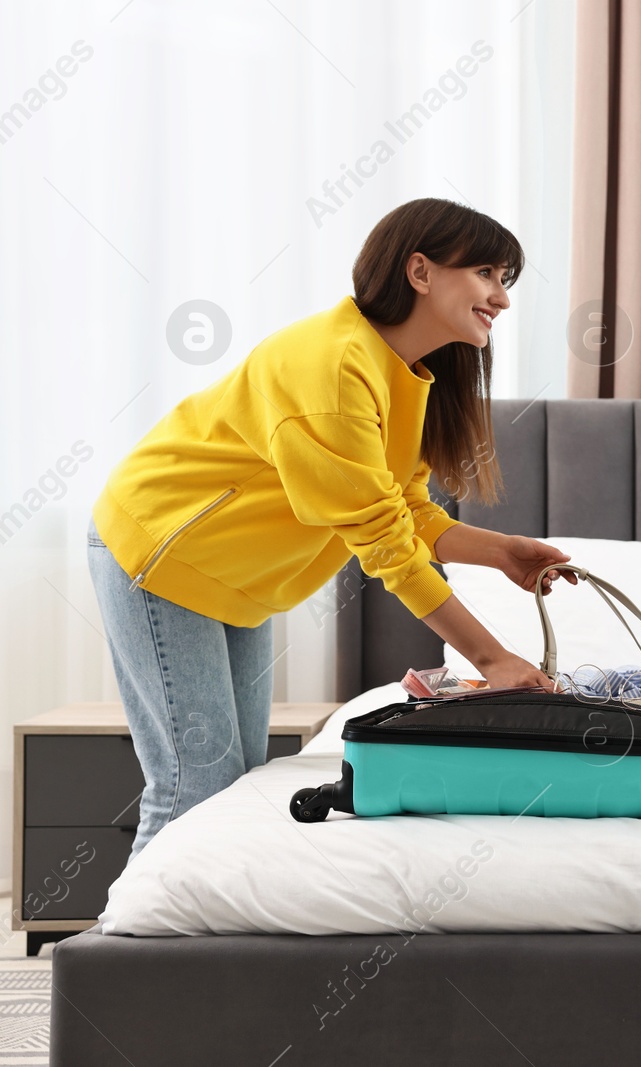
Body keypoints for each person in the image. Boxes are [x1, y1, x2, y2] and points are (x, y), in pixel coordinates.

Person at [88, 198, 571, 856]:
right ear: (421, 271)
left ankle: (204, 954)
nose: (501, 298)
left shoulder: (403, 373)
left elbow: (401, 505)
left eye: (504, 279)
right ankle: (124, 954)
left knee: (233, 783)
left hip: (237, 581)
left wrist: (502, 551)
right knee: (194, 782)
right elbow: (386, 547)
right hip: (162, 552)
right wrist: (490, 659)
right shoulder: (333, 363)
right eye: (487, 272)